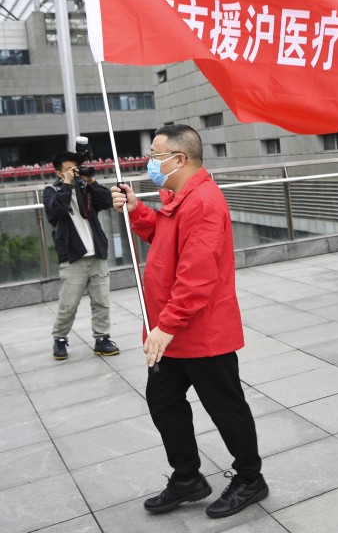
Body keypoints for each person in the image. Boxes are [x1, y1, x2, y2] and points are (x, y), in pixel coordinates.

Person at [111, 124, 267, 519]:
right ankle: (187, 478)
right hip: (172, 330)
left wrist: (166, 325)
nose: (151, 162)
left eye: (155, 154)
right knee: (163, 402)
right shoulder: (178, 196)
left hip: (199, 330)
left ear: (179, 158)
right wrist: (137, 210)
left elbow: (197, 275)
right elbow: (164, 242)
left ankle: (250, 479)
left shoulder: (204, 202)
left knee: (225, 406)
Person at [44, 151, 119, 359]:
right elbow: (57, 211)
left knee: (101, 301)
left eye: (75, 168)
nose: (74, 172)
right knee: (68, 305)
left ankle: (102, 339)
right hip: (73, 257)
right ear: (58, 172)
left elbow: (106, 201)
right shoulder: (51, 191)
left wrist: (91, 181)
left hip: (97, 255)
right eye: (69, 169)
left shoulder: (85, 189)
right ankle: (59, 338)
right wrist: (67, 184)